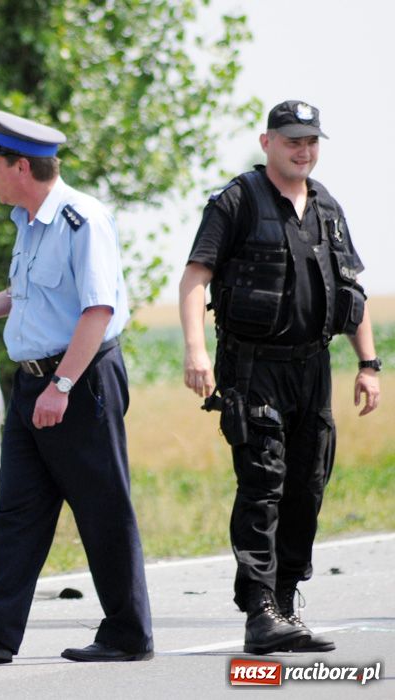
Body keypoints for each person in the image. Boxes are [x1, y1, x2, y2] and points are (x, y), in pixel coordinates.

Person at [0, 109, 154, 664]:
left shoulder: (82, 220)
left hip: (79, 380)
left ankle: (128, 635)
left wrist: (63, 385)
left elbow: (97, 310)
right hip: (35, 384)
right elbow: (35, 295)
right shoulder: (29, 221)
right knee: (17, 509)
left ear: (21, 166)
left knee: (101, 510)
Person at [178, 100, 382, 655]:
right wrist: (196, 351)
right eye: (292, 140)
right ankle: (260, 610)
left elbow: (351, 293)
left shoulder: (328, 208)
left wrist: (368, 365)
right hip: (253, 368)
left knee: (306, 488)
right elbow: (196, 277)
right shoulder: (237, 201)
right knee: (264, 485)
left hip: (313, 370)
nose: (303, 150)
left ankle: (286, 603)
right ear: (267, 142)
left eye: (311, 141)